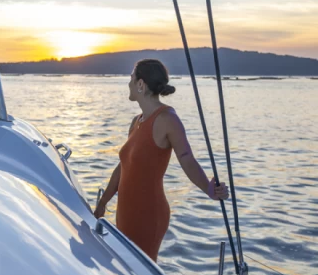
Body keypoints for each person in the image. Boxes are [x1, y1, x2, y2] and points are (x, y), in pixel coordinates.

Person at [94, 59, 229, 260]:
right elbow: (124, 167)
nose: (128, 83)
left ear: (140, 84)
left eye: (131, 78)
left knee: (143, 274)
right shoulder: (136, 122)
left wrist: (209, 189)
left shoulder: (167, 119)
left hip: (149, 214)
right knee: (128, 271)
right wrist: (103, 203)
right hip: (126, 212)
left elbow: (187, 159)